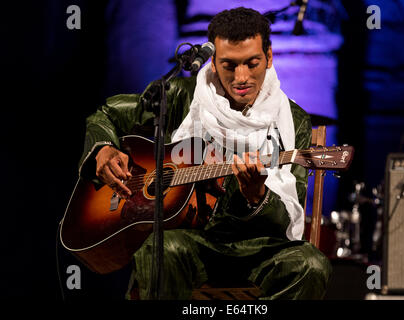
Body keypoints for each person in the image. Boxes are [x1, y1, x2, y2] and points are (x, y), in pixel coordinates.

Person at [79, 7, 332, 300]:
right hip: (195, 243)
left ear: (270, 57)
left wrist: (257, 197)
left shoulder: (294, 120)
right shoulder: (181, 96)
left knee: (310, 265)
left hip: (260, 250)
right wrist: (103, 148)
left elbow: (288, 219)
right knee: (162, 247)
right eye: (229, 65)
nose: (241, 77)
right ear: (212, 61)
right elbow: (106, 114)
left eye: (252, 63)